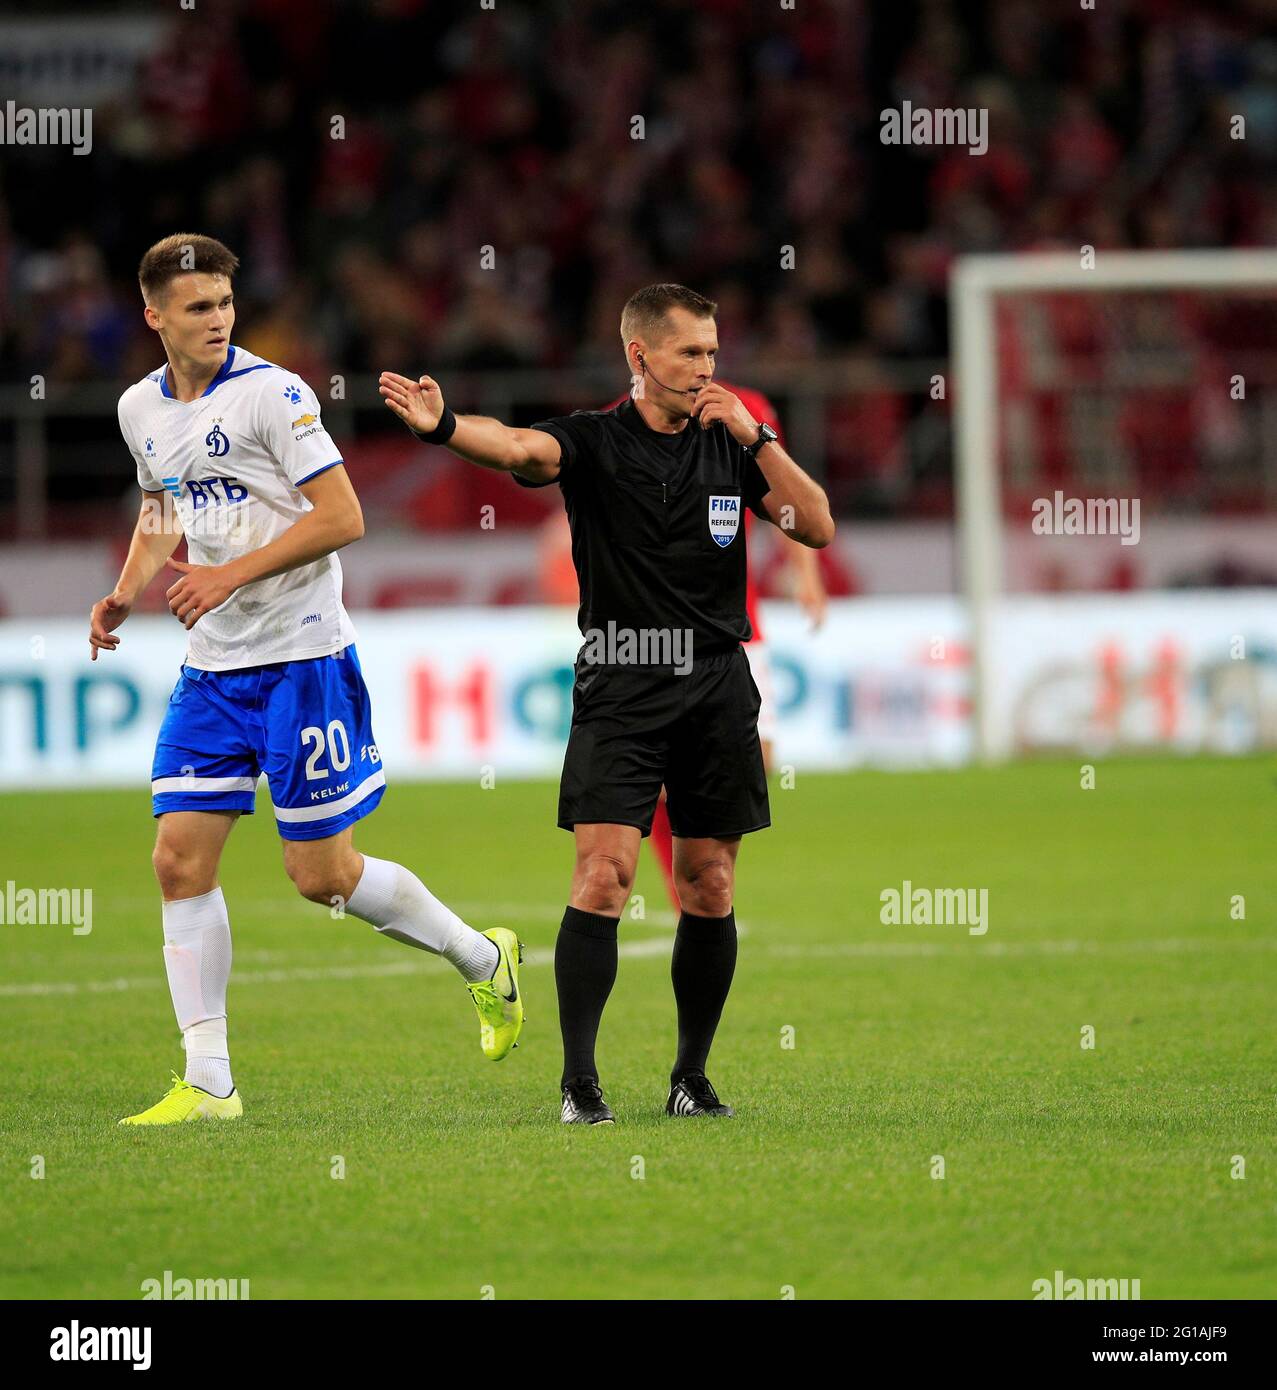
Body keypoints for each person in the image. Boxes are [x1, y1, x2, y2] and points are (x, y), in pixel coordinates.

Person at [93, 233, 523, 1126]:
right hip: (213, 670)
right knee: (177, 860)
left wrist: (226, 577)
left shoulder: (273, 394)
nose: (216, 321)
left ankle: (483, 959)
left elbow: (343, 515)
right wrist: (129, 590)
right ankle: (208, 1080)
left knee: (321, 876)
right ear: (154, 315)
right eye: (197, 308)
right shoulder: (140, 407)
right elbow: (163, 505)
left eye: (223, 305)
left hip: (301, 658)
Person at [380, 283, 833, 1124]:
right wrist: (444, 428)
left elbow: (814, 526)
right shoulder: (592, 441)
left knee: (710, 881)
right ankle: (579, 1083)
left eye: (711, 353)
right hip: (621, 681)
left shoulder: (732, 443)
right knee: (603, 876)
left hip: (716, 679)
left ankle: (689, 1078)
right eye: (688, 354)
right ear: (639, 357)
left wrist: (758, 436)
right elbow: (516, 448)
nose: (705, 369)